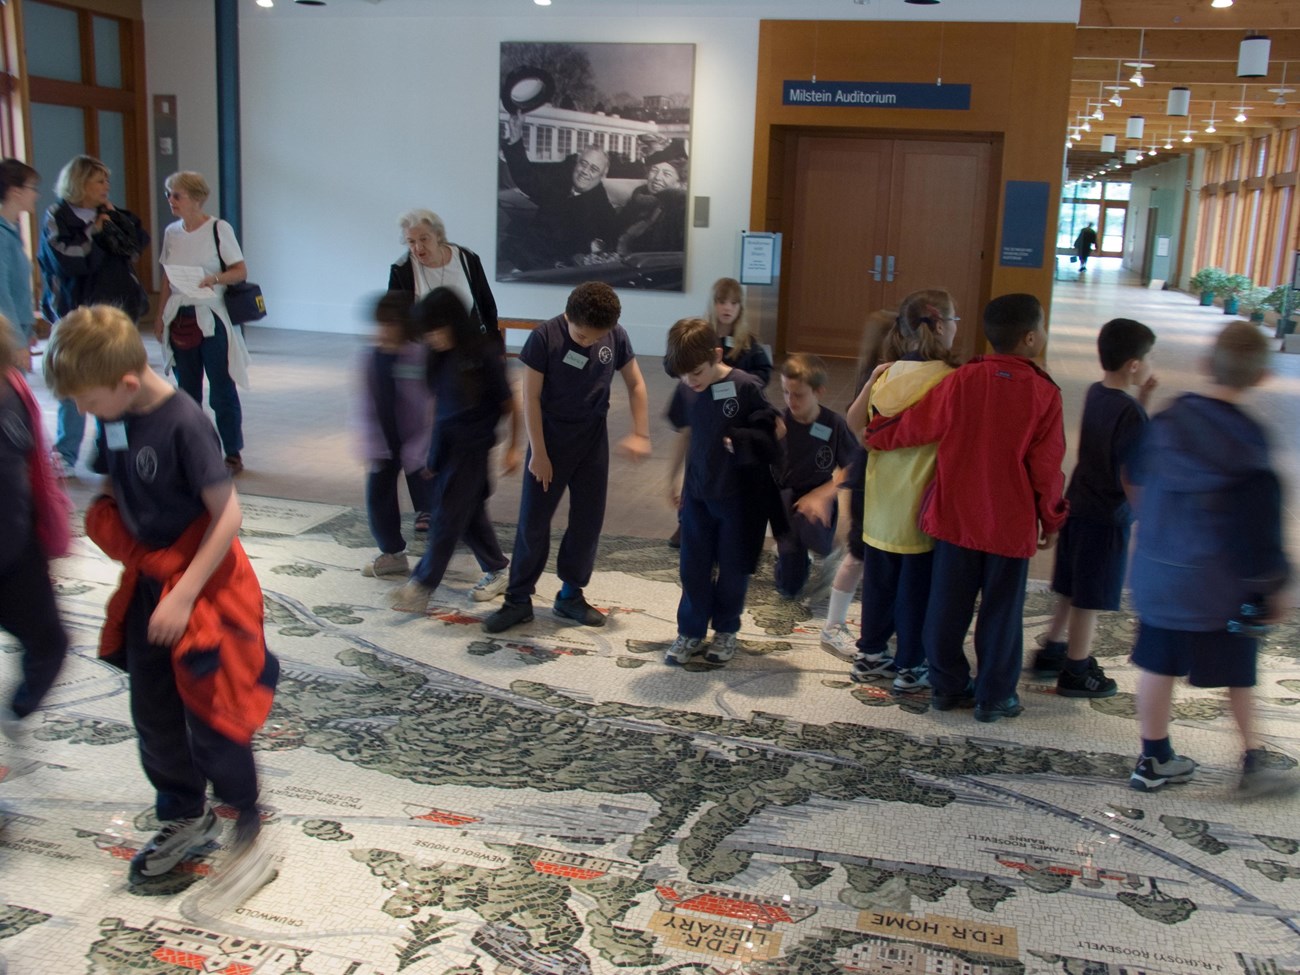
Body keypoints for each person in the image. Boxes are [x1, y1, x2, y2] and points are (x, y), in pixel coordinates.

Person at [43, 304, 279, 884]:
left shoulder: (184, 423)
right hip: (153, 587)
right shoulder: (116, 410)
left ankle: (243, 817)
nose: (81, 411)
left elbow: (228, 516)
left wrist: (184, 593)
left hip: (205, 586)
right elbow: (114, 482)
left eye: (87, 402)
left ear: (126, 383)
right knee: (152, 708)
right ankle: (182, 813)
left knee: (214, 711)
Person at [866, 293, 1067, 722]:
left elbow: (916, 425)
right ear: (1031, 337)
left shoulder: (962, 380)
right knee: (1001, 613)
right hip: (1009, 527)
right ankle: (995, 696)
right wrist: (1052, 517)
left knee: (947, 605)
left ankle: (947, 686)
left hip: (955, 517)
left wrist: (877, 434)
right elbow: (1046, 469)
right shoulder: (1044, 393)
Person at [1127, 321, 1292, 795]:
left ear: (1204, 365)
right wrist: (1272, 585)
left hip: (1159, 574)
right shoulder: (1249, 442)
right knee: (1239, 668)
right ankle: (1253, 760)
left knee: (1158, 663)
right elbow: (1258, 528)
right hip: (1218, 587)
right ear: (1261, 377)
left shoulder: (1168, 421)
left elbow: (1134, 479)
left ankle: (1153, 757)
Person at [482, 282, 651, 633]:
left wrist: (641, 432)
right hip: (551, 440)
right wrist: (538, 453)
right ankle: (518, 599)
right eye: (582, 335)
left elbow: (635, 384)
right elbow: (529, 398)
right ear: (568, 316)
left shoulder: (614, 335)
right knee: (534, 522)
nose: (587, 342)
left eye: (595, 337)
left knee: (588, 520)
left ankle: (571, 594)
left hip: (592, 438)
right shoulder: (545, 338)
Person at [1035, 318, 1158, 698]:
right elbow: (1129, 474)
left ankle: (1052, 649)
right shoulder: (1132, 415)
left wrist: (1144, 404)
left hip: (1078, 505)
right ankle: (1077, 668)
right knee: (1091, 597)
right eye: (1148, 357)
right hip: (1107, 518)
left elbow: (1120, 427)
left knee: (1073, 586)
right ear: (1134, 365)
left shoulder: (1096, 393)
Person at [851, 291, 961, 694]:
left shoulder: (887, 374)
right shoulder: (951, 379)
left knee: (879, 586)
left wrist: (872, 383)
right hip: (921, 509)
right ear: (941, 326)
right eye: (955, 320)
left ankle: (870, 655)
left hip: (880, 505)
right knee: (915, 592)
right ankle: (910, 664)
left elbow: (856, 426)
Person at [390, 288, 522, 613]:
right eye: (427, 333)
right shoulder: (438, 356)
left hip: (473, 448)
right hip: (446, 445)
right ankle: (496, 567)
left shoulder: (484, 354)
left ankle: (422, 585)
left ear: (454, 323)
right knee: (469, 513)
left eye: (437, 329)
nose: (432, 338)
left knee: (447, 518)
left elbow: (510, 404)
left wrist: (513, 448)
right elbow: (439, 407)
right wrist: (433, 452)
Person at [662, 317, 780, 666]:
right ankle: (691, 631)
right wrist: (672, 479)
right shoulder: (686, 387)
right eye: (683, 375)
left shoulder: (745, 386)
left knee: (732, 568)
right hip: (697, 493)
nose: (689, 381)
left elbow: (775, 430)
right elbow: (684, 432)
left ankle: (726, 629)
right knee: (692, 567)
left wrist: (745, 441)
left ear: (716, 354)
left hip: (737, 500)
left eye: (696, 372)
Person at [38, 154, 149, 477]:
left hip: (116, 315)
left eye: (106, 181)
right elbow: (66, 261)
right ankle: (66, 455)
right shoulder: (57, 216)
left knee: (115, 387)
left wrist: (116, 223)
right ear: (80, 183)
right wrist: (94, 232)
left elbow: (133, 247)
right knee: (75, 387)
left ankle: (110, 456)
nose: (106, 186)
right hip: (77, 316)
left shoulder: (111, 212)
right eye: (100, 180)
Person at [0, 319, 71, 740]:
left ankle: (17, 712)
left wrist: (48, 535)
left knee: (50, 643)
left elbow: (34, 473)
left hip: (18, 548)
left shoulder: (15, 396)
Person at [154, 171, 252, 474]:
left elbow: (240, 271)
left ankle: (232, 451)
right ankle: (193, 450)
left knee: (222, 388)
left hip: (211, 315)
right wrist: (159, 318)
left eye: (177, 195)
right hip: (181, 314)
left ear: (196, 199)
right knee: (187, 390)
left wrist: (216, 278)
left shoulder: (218, 229)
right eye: (169, 193)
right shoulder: (172, 232)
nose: (170, 200)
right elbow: (167, 279)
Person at [667, 278, 773, 549]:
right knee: (700, 461)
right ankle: (687, 521)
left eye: (733, 303)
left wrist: (738, 384)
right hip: (704, 410)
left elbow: (762, 374)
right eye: (721, 302)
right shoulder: (699, 339)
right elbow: (684, 429)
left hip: (733, 414)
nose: (727, 308)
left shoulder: (747, 345)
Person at [821, 308, 894, 658]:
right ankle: (833, 625)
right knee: (857, 555)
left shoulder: (883, 374)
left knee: (868, 556)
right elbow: (860, 430)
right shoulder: (879, 377)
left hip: (878, 477)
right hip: (869, 477)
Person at [354, 291, 434, 579]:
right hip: (384, 442)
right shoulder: (371, 356)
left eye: (391, 323)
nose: (384, 330)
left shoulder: (420, 354)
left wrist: (421, 447)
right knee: (379, 497)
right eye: (381, 323)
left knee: (434, 499)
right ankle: (392, 553)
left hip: (419, 442)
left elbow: (430, 406)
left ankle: (442, 555)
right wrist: (372, 444)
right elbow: (365, 404)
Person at [772, 353, 856, 600]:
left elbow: (854, 466)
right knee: (789, 587)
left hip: (818, 493)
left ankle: (829, 553)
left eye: (798, 395)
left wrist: (823, 494)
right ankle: (789, 559)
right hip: (784, 495)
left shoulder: (833, 425)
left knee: (811, 531)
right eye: (786, 392)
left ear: (819, 391)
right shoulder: (779, 423)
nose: (790, 400)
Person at [499, 112, 616, 271]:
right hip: (521, 254)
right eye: (583, 164)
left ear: (602, 176)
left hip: (547, 270)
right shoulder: (560, 185)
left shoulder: (602, 210)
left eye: (594, 169)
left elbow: (598, 246)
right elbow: (527, 178)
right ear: (576, 164)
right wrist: (516, 137)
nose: (585, 171)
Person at [388, 209, 498, 336]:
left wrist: (496, 343)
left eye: (424, 239)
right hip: (424, 349)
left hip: (469, 345)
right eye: (411, 241)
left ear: (438, 235)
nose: (418, 247)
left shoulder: (466, 258)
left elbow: (487, 305)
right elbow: (396, 318)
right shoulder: (401, 270)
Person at [0, 159, 40, 372]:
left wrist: (28, 330)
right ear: (15, 192)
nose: (36, 194)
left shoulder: (11, 230)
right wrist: (15, 341)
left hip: (17, 331)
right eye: (32, 188)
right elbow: (2, 295)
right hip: (5, 337)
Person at [613, 151, 688, 256]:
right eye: (654, 170)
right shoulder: (636, 201)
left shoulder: (680, 210)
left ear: (678, 183)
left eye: (666, 174)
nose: (657, 178)